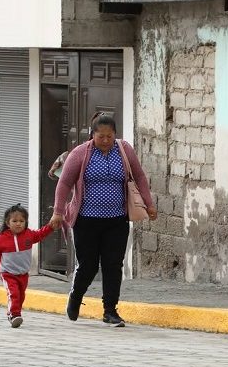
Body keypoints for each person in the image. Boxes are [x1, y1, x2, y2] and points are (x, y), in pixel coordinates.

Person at [49, 113, 157, 327]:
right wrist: (58, 212)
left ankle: (110, 311)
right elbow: (64, 184)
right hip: (86, 221)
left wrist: (149, 203)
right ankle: (76, 296)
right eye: (101, 136)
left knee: (113, 265)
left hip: (116, 220)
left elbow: (140, 176)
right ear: (92, 135)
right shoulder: (81, 153)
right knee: (88, 265)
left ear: (115, 134)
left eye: (109, 136)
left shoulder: (124, 150)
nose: (106, 140)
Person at [0, 204, 53, 328]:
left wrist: (51, 227)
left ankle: (15, 313)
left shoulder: (29, 235)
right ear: (8, 223)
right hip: (8, 273)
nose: (18, 224)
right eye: (15, 221)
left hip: (23, 273)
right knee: (13, 293)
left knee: (21, 295)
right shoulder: (2, 238)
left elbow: (41, 234)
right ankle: (14, 315)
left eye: (21, 221)